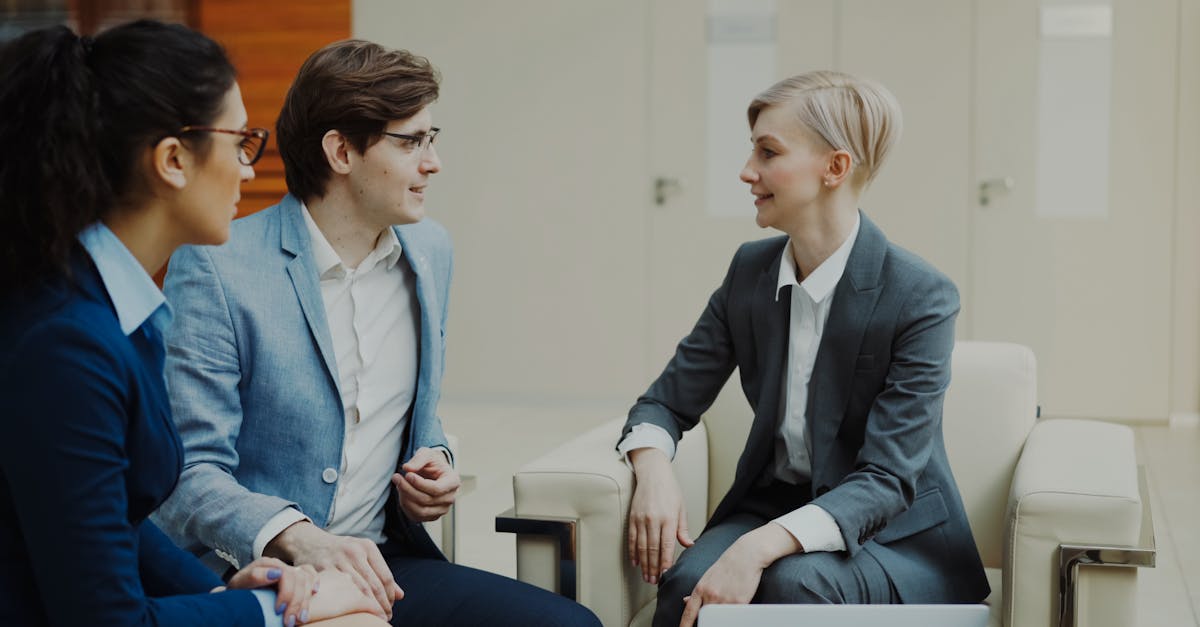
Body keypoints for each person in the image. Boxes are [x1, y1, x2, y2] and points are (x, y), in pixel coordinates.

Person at [153, 38, 600, 627]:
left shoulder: (430, 250)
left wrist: (434, 460)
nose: (432, 162)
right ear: (340, 151)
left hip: (386, 560)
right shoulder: (218, 266)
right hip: (260, 570)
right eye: (411, 141)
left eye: (432, 139)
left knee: (573, 625)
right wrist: (298, 536)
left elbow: (413, 413)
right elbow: (188, 471)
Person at [0, 20, 385, 627]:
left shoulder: (115, 305)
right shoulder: (65, 345)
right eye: (240, 143)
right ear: (173, 160)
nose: (250, 171)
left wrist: (220, 588)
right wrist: (264, 610)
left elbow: (113, 515)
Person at [617, 71, 990, 627]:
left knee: (795, 587)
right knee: (686, 588)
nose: (747, 172)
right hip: (773, 505)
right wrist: (652, 470)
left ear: (835, 167)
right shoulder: (750, 272)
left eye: (768, 153)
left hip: (896, 537)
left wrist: (755, 548)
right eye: (752, 151)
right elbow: (666, 402)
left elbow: (887, 480)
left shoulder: (920, 295)